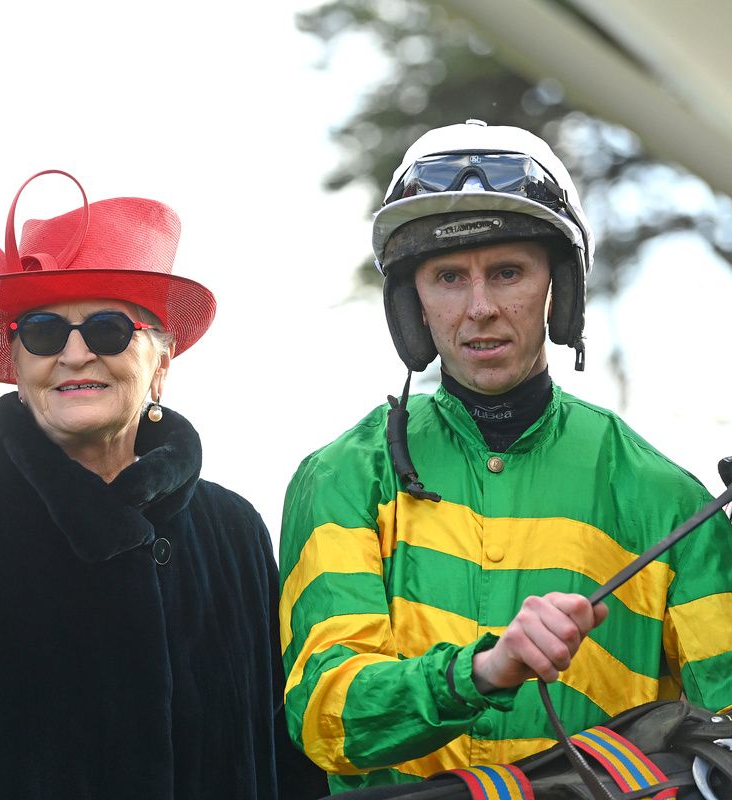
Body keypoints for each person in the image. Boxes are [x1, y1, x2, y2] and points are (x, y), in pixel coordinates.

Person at [0, 170, 327, 799]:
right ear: (16, 364)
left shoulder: (233, 530)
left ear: (161, 364)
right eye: (41, 331)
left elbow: (280, 761)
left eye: (109, 329)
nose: (74, 353)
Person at [278, 120, 732, 794]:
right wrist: (484, 671)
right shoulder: (342, 476)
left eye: (508, 272)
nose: (480, 307)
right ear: (413, 305)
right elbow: (329, 720)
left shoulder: (671, 498)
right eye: (449, 277)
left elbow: (723, 726)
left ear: (561, 288)